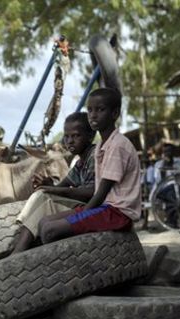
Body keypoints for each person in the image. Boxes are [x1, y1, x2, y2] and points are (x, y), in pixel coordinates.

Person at [37, 88, 141, 243]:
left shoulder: (118, 146)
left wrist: (81, 215)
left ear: (114, 114)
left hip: (118, 213)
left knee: (49, 230)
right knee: (43, 222)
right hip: (106, 209)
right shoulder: (101, 145)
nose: (93, 115)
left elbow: (100, 193)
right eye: (90, 110)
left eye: (100, 110)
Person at [9, 112, 96, 254]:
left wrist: (53, 190)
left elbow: (91, 193)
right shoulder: (80, 163)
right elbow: (61, 187)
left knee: (44, 196)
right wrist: (49, 184)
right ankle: (24, 241)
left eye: (76, 136)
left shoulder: (94, 156)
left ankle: (20, 247)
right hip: (82, 205)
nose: (70, 141)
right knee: (43, 193)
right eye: (67, 137)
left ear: (90, 136)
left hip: (93, 208)